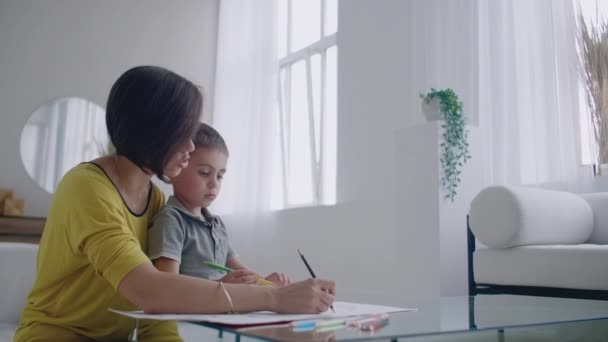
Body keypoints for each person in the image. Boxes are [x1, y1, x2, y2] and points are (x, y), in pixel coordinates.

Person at [15, 66, 335, 342]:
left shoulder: (155, 199)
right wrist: (275, 297)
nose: (191, 147)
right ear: (153, 130)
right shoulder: (87, 188)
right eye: (183, 133)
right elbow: (150, 290)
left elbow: (159, 311)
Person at [148, 123, 290, 286]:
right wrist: (221, 285)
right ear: (175, 170)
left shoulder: (217, 225)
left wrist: (264, 282)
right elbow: (167, 284)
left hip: (221, 306)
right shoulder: (171, 220)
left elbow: (239, 271)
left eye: (220, 176)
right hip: (193, 309)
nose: (214, 183)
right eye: (205, 173)